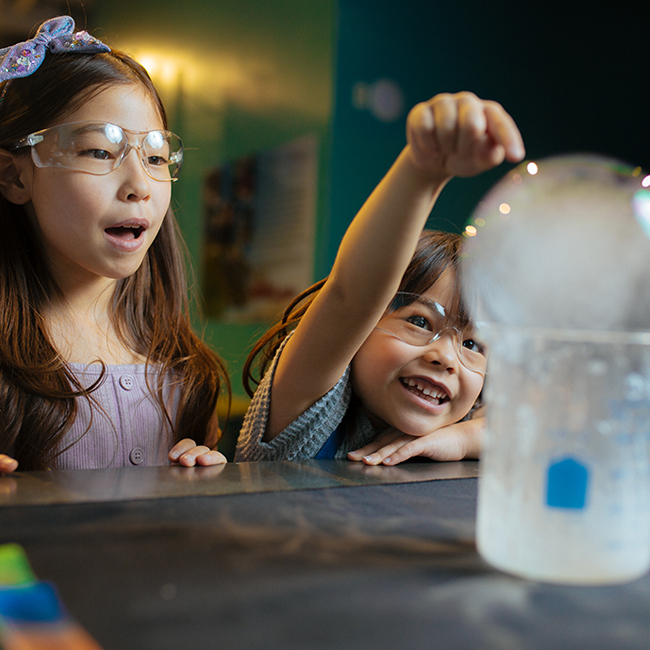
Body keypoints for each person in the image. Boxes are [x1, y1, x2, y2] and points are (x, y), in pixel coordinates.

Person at [236, 90, 525, 465]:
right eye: (420, 321)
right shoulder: (309, 411)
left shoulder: (463, 417)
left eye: (472, 345)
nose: (446, 358)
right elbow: (349, 297)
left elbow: (544, 429)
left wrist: (464, 438)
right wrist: (423, 170)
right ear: (363, 328)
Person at [0, 16, 229, 473]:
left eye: (156, 157)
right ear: (14, 175)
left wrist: (205, 476)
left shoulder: (183, 370)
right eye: (100, 151)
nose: (140, 184)